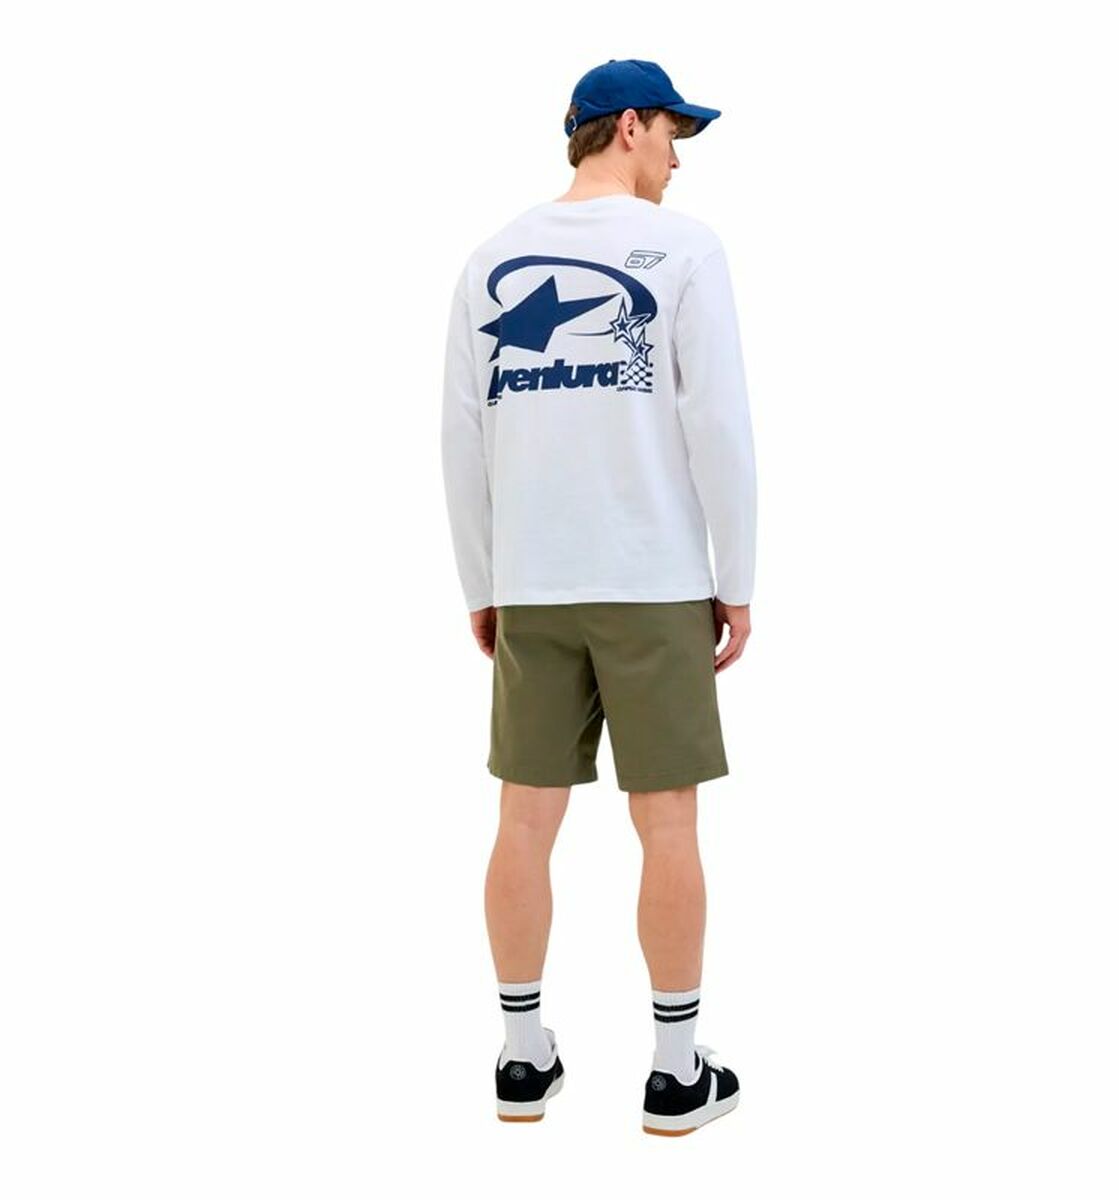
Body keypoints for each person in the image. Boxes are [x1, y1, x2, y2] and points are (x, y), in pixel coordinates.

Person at [440, 58, 756, 1136]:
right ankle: (675, 1073)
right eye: (672, 133)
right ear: (627, 127)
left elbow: (461, 439)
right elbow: (719, 426)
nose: (677, 158)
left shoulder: (490, 259)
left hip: (532, 583)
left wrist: (483, 584)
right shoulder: (684, 250)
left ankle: (522, 1057)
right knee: (666, 822)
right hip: (653, 580)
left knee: (523, 820)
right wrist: (736, 580)